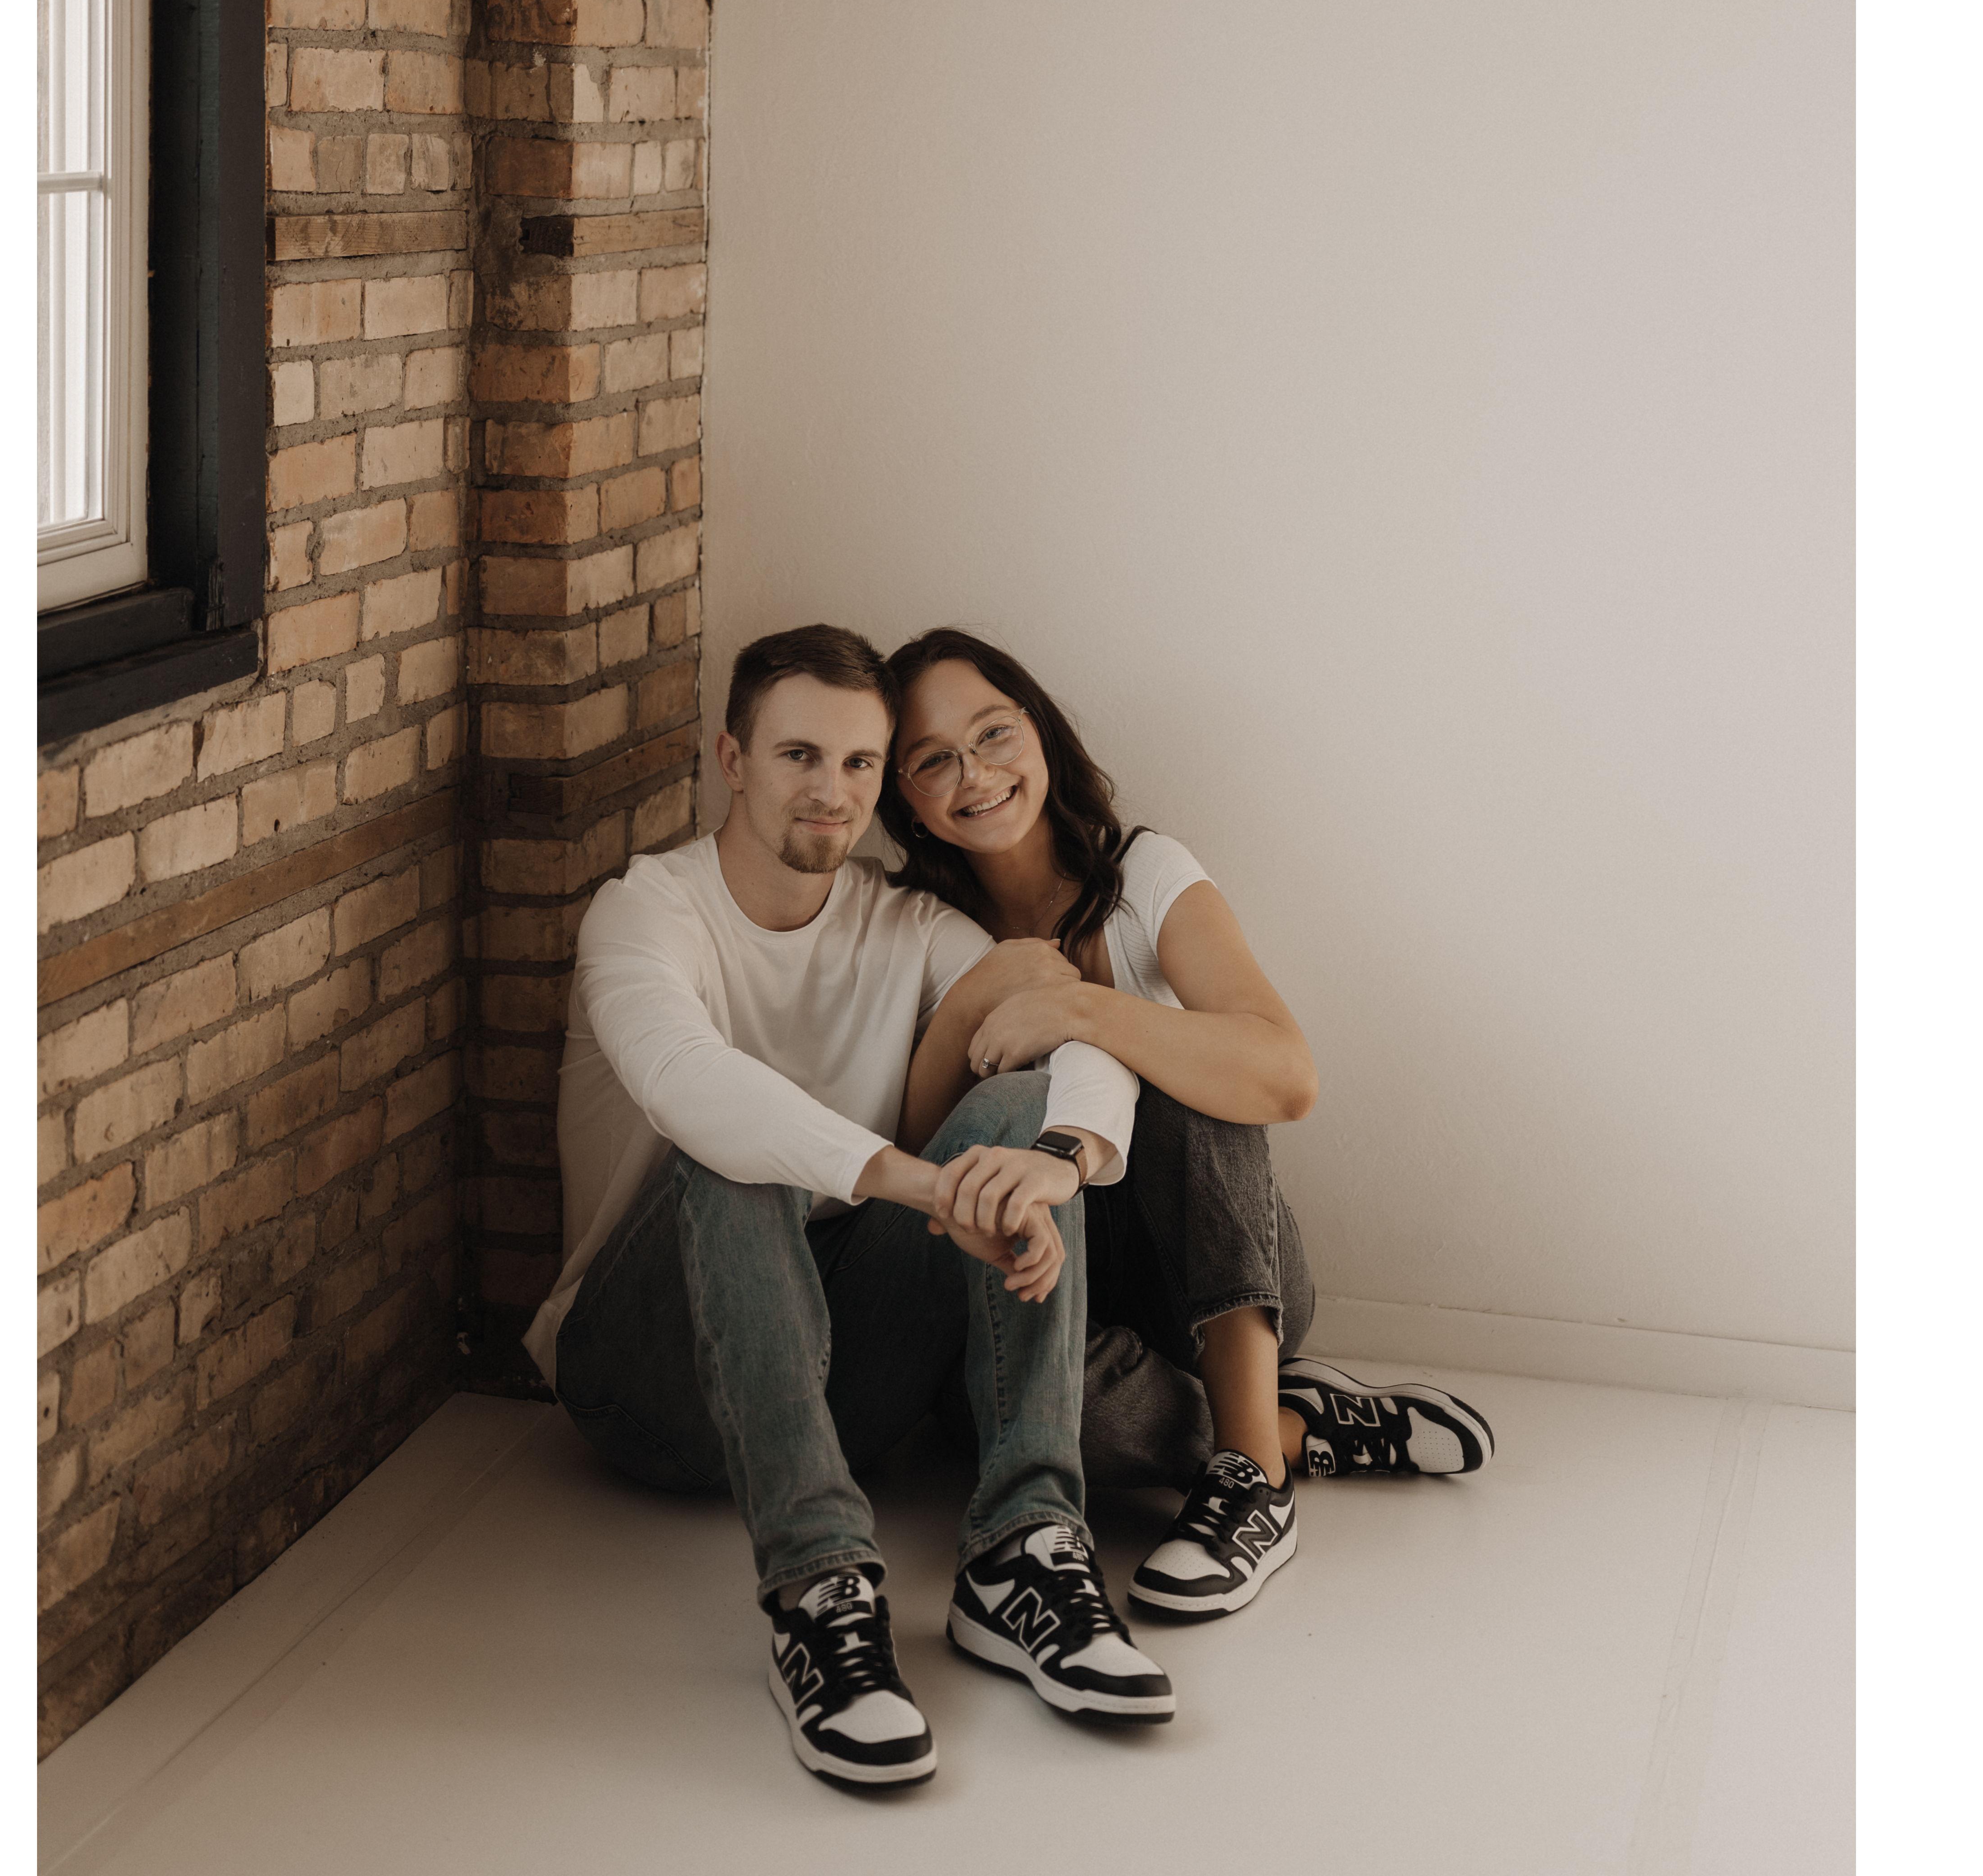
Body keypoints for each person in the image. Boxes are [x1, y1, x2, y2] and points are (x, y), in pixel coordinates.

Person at [525, 624, 1178, 1787]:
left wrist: (1061, 1160)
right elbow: (691, 1085)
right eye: (799, 756)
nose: (832, 791)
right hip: (645, 1382)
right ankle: (819, 1591)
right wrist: (922, 1183)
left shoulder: (908, 925)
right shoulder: (646, 913)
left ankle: (1024, 1547)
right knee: (732, 1147)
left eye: (860, 763)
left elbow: (1069, 1024)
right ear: (733, 759)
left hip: (841, 1381)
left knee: (1018, 1103)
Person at [884, 627, 1496, 1625]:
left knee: (1189, 1061)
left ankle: (1254, 1481)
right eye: (934, 760)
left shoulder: (1145, 875)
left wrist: (1086, 1010)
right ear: (905, 798)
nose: (976, 774)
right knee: (994, 1410)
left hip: (1221, 1270)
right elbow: (915, 1158)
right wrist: (975, 1006)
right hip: (1061, 1298)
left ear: (1039, 730)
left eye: (993, 734)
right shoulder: (910, 931)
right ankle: (1293, 1426)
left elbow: (1287, 1075)